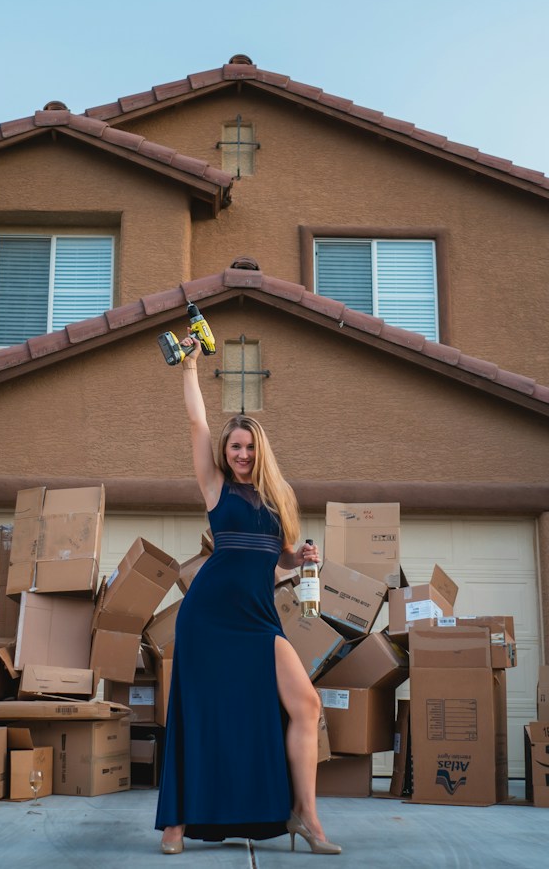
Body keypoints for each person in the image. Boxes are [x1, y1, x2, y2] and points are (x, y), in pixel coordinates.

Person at [154, 336, 341, 855]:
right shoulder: (216, 489)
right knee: (197, 713)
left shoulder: (278, 500)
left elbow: (274, 559)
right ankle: (176, 823)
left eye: (249, 447)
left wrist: (298, 559)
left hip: (258, 620)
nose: (240, 453)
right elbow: (197, 424)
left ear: (261, 451)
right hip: (208, 618)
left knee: (306, 703)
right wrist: (190, 368)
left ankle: (307, 817)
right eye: (235, 446)